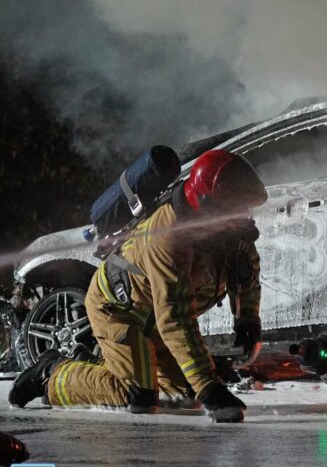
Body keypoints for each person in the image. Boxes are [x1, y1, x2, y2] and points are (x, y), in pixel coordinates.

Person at [9, 150, 268, 423]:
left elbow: (246, 271)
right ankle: (53, 373)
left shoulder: (230, 231)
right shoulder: (167, 239)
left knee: (184, 397)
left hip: (152, 317)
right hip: (120, 311)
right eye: (237, 208)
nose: (244, 215)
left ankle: (102, 366)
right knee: (138, 398)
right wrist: (210, 388)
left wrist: (248, 319)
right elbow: (175, 319)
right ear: (209, 204)